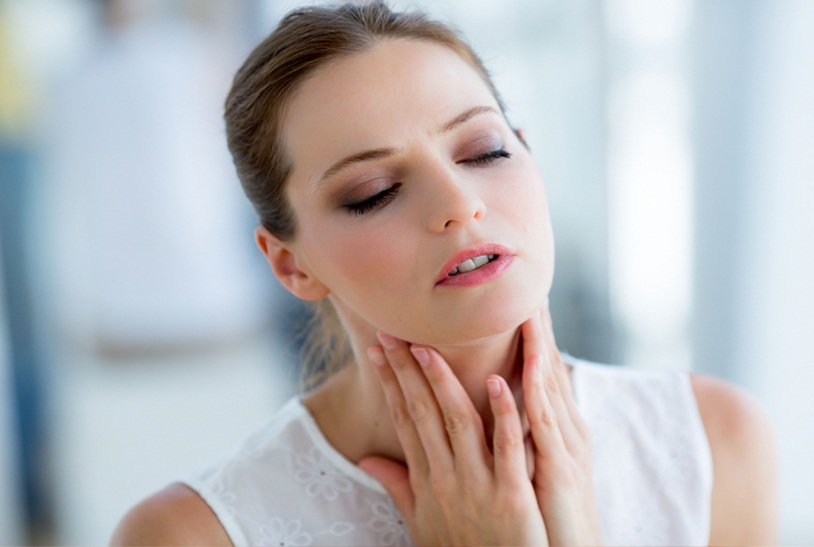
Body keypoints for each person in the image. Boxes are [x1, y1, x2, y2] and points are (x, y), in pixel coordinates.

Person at [111, 2, 778, 545]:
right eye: (373, 192)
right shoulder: (189, 534)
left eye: (484, 151)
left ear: (528, 153)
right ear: (291, 264)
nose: (459, 203)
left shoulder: (712, 441)